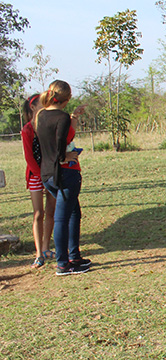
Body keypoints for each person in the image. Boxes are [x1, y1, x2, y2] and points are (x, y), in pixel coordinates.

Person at [34, 80, 91, 276]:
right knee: (61, 218)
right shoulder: (62, 117)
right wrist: (65, 157)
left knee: (74, 212)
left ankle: (74, 257)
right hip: (64, 173)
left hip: (47, 173)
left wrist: (74, 115)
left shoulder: (41, 115)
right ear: (67, 98)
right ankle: (63, 264)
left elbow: (46, 143)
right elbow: (60, 143)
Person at [20, 94, 56, 268]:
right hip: (36, 175)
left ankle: (46, 248)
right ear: (33, 107)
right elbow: (29, 157)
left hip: (51, 173)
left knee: (51, 211)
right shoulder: (27, 130)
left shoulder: (48, 126)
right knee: (38, 213)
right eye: (43, 104)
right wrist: (40, 176)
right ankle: (38, 253)